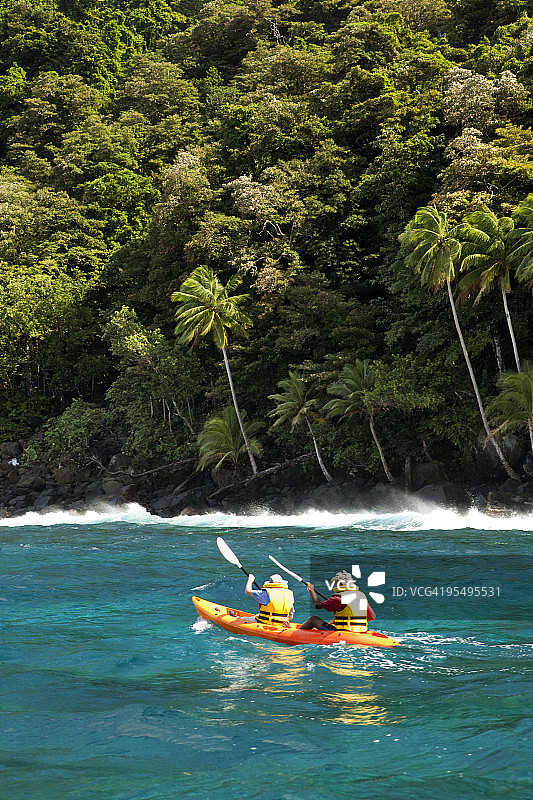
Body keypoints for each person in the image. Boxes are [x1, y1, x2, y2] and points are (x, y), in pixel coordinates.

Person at [299, 570, 376, 631]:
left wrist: (311, 590)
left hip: (344, 632)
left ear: (340, 585)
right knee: (338, 617)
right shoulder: (360, 596)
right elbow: (372, 617)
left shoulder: (338, 599)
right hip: (361, 631)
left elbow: (317, 604)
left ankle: (296, 634)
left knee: (313, 619)